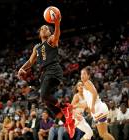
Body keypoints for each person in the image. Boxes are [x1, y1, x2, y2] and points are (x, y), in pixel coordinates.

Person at [17, 8, 75, 138]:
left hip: (53, 70)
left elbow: (57, 34)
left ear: (50, 33)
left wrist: (57, 22)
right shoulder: (36, 47)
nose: (44, 29)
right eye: (42, 28)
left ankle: (65, 106)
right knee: (48, 103)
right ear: (39, 34)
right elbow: (31, 62)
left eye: (47, 28)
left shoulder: (51, 41)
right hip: (44, 74)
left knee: (43, 96)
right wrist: (22, 68)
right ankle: (68, 122)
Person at [80, 66, 114, 140]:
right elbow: (89, 99)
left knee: (104, 133)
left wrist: (92, 106)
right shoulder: (85, 84)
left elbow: (95, 93)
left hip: (98, 108)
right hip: (97, 109)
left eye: (84, 74)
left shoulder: (87, 83)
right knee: (103, 134)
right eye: (81, 74)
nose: (82, 75)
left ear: (88, 76)